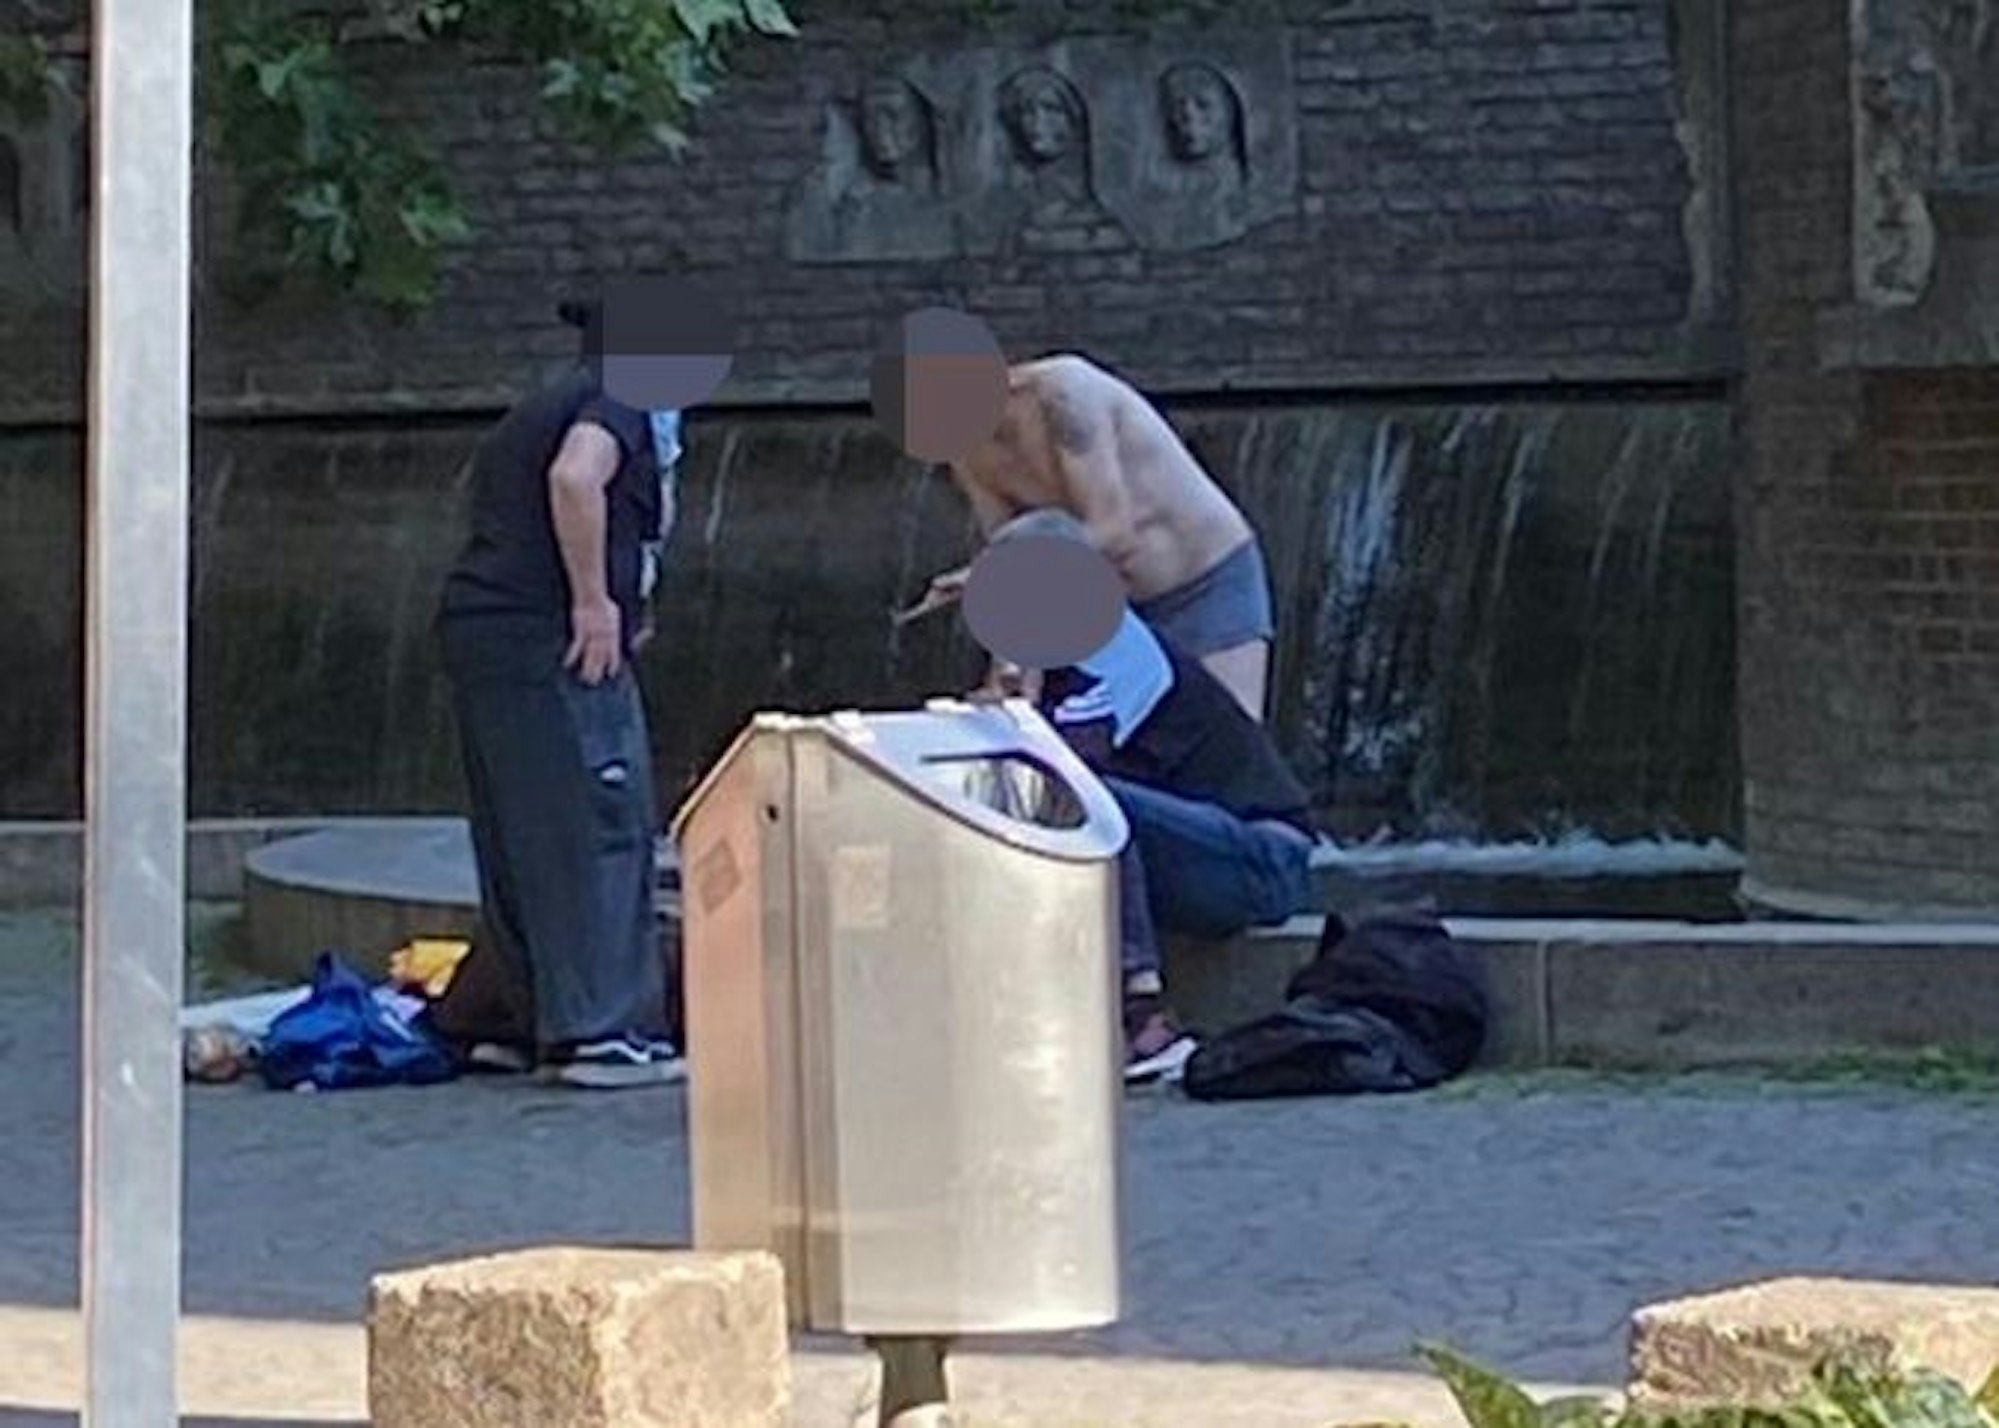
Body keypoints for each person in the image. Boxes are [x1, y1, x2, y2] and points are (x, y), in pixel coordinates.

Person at [432, 305, 685, 1089]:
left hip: (484, 629)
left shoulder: (543, 403)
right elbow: (576, 477)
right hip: (550, 638)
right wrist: (593, 602)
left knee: (520, 830)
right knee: (597, 820)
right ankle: (600, 1031)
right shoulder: (623, 400)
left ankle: (518, 1019)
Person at [978, 508, 1317, 1082]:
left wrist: (1016, 690)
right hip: (1189, 854)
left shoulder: (1118, 651)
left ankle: (1147, 1021)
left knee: (1083, 802)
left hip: (1261, 861)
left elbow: (1065, 768)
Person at [923, 352, 1276, 721]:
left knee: (1229, 739)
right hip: (1107, 610)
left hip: (1200, 582)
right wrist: (1009, 673)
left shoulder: (1065, 393)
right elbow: (1010, 547)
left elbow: (1115, 533)